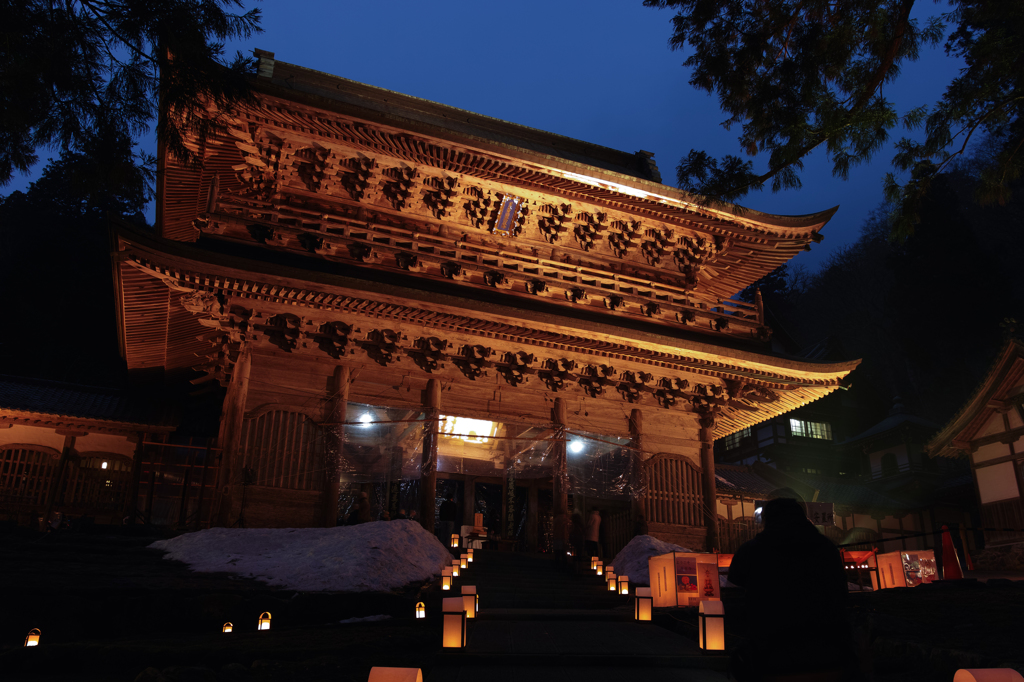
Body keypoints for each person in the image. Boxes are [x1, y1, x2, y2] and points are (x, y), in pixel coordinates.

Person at [727, 498, 855, 681]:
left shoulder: (751, 551)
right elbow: (841, 594)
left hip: (769, 651)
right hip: (827, 650)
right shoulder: (826, 549)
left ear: (767, 519)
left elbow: (733, 594)